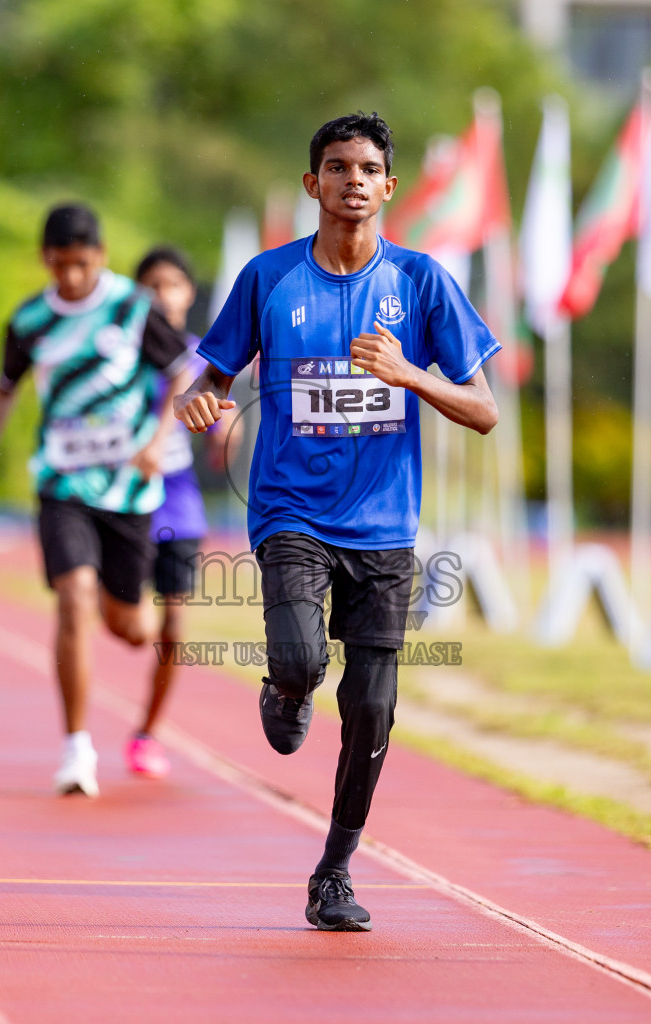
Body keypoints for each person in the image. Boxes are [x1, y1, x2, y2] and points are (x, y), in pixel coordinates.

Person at [175, 112, 499, 931]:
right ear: (311, 183)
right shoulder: (269, 278)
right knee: (299, 656)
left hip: (385, 529)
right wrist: (199, 401)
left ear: (389, 188)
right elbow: (205, 377)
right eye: (336, 166)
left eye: (367, 169)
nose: (352, 180)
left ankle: (334, 872)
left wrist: (410, 374)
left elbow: (485, 411)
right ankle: (287, 684)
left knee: (374, 708)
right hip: (289, 511)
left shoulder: (422, 284)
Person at [0, 203, 191, 798]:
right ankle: (75, 748)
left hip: (130, 490)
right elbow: (3, 388)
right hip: (62, 483)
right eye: (60, 266)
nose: (70, 279)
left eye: (82, 266)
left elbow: (182, 375)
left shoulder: (133, 310)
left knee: (133, 626)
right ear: (45, 259)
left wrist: (157, 442)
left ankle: (130, 620)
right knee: (73, 595)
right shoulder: (31, 320)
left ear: (102, 258)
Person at [128, 246, 233, 777]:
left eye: (172, 284)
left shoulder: (203, 360)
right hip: (121, 506)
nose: (161, 295)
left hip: (179, 508)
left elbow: (220, 439)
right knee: (131, 623)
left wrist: (225, 440)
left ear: (188, 293)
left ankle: (147, 732)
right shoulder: (121, 354)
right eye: (150, 285)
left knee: (173, 629)